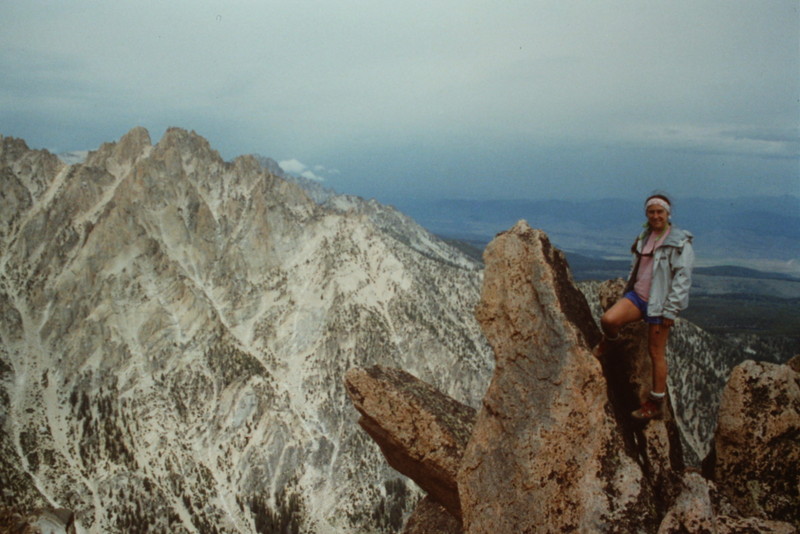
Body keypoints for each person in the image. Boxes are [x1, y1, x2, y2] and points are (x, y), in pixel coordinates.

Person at [594, 193, 694, 420]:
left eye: (660, 212)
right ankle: (610, 342)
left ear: (668, 214)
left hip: (659, 306)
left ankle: (655, 402)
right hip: (638, 297)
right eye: (652, 212)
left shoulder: (679, 243)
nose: (656, 216)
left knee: (656, 353)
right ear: (647, 214)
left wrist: (671, 310)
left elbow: (683, 279)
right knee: (609, 321)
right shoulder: (645, 236)